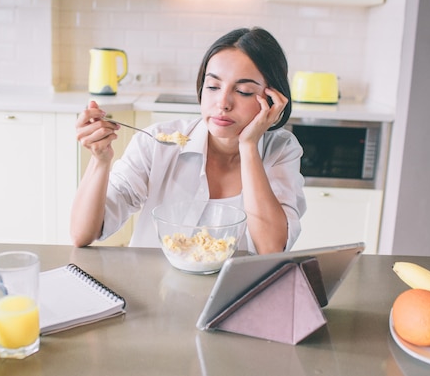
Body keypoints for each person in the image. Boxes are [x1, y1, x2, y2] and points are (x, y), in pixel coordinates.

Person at [71, 27, 306, 254]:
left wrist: (249, 146)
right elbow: (82, 234)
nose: (222, 103)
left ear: (273, 99)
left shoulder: (281, 151)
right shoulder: (155, 144)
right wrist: (100, 161)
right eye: (213, 86)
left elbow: (271, 248)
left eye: (243, 91)